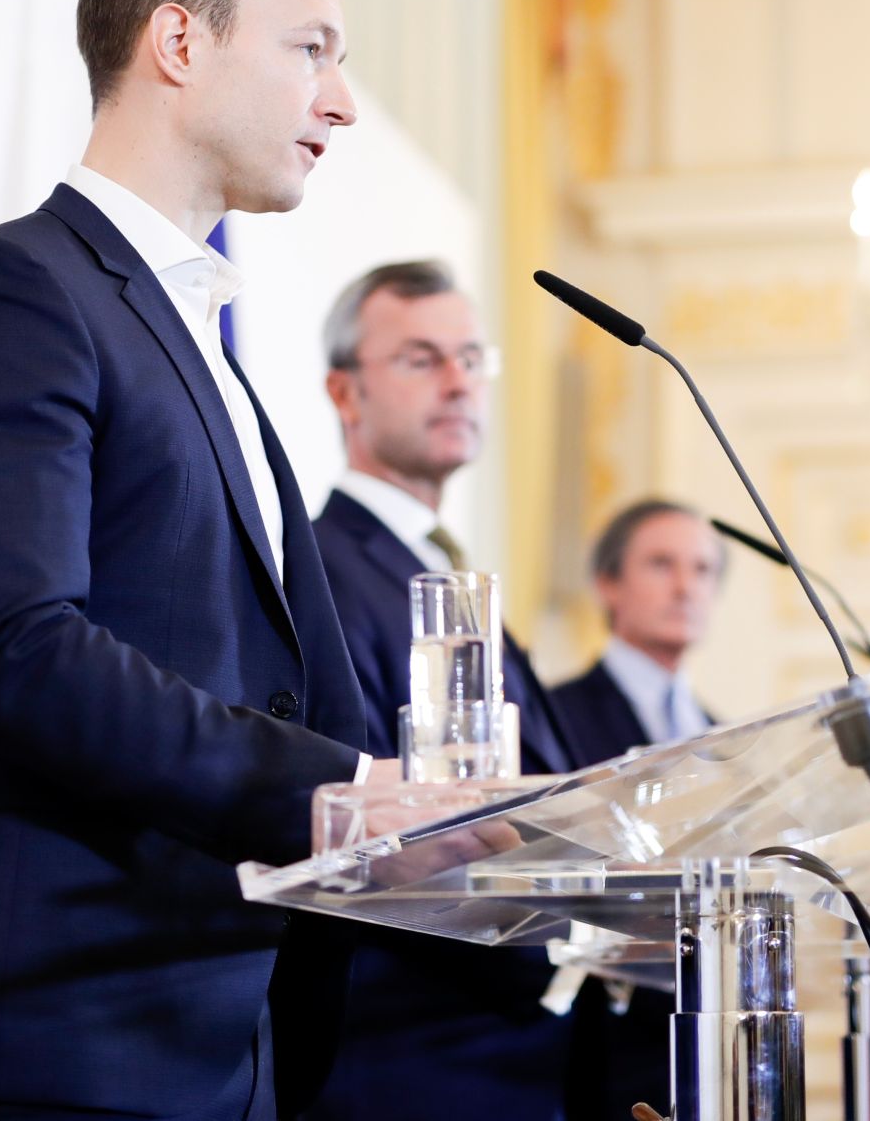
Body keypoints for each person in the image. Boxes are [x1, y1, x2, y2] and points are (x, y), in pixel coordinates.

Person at [0, 0, 424, 1121]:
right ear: (178, 43)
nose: (340, 102)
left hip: (234, 1040)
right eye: (310, 49)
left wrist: (460, 813)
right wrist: (332, 790)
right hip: (62, 1035)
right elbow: (7, 651)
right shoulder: (10, 290)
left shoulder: (205, 335)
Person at [306, 260, 581, 1121]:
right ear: (345, 393)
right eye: (422, 359)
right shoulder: (315, 568)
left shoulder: (451, 570)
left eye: (471, 356)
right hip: (408, 1060)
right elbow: (365, 819)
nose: (460, 380)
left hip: (518, 1053)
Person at [551, 499, 727, 1121]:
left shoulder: (727, 737)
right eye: (662, 564)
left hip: (706, 1045)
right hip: (591, 1049)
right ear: (608, 584)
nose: (686, 586)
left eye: (703, 570)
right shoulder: (553, 716)